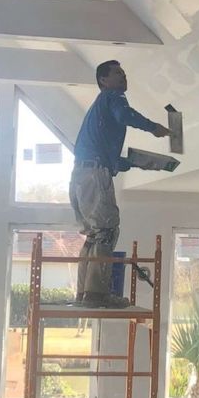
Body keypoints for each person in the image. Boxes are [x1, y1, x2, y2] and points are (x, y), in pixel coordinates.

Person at [70, 60, 169, 308]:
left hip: (81, 176)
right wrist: (153, 127)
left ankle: (84, 293)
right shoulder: (112, 97)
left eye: (124, 73)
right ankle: (97, 295)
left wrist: (139, 163)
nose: (124, 77)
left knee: (94, 235)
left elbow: (112, 160)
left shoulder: (98, 110)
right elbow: (125, 115)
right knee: (107, 230)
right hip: (94, 174)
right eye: (117, 73)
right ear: (103, 80)